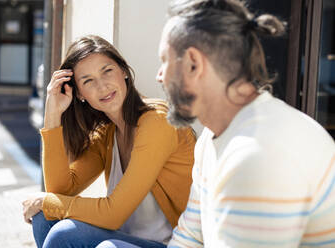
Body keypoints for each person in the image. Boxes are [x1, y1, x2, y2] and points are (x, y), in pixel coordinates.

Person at [97, 0, 335, 247]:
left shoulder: (258, 156)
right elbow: (190, 236)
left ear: (193, 64)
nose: (159, 75)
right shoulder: (212, 138)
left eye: (165, 61)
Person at [21, 35, 196, 248]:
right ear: (80, 94)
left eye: (107, 71)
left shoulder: (157, 122)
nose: (102, 86)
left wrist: (46, 201)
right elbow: (60, 191)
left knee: (65, 234)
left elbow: (113, 214)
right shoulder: (107, 133)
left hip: (175, 244)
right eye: (88, 81)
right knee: (44, 218)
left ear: (123, 71)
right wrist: (52, 118)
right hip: (127, 239)